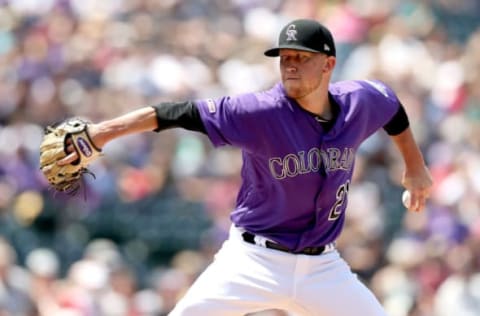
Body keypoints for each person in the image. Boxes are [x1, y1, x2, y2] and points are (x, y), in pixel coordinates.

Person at [59, 18, 433, 316]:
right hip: (254, 259)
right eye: (285, 57)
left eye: (301, 57)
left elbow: (392, 109)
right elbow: (175, 113)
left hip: (324, 268)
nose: (289, 65)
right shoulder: (259, 111)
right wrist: (101, 133)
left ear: (329, 64)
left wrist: (415, 166)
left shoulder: (359, 101)